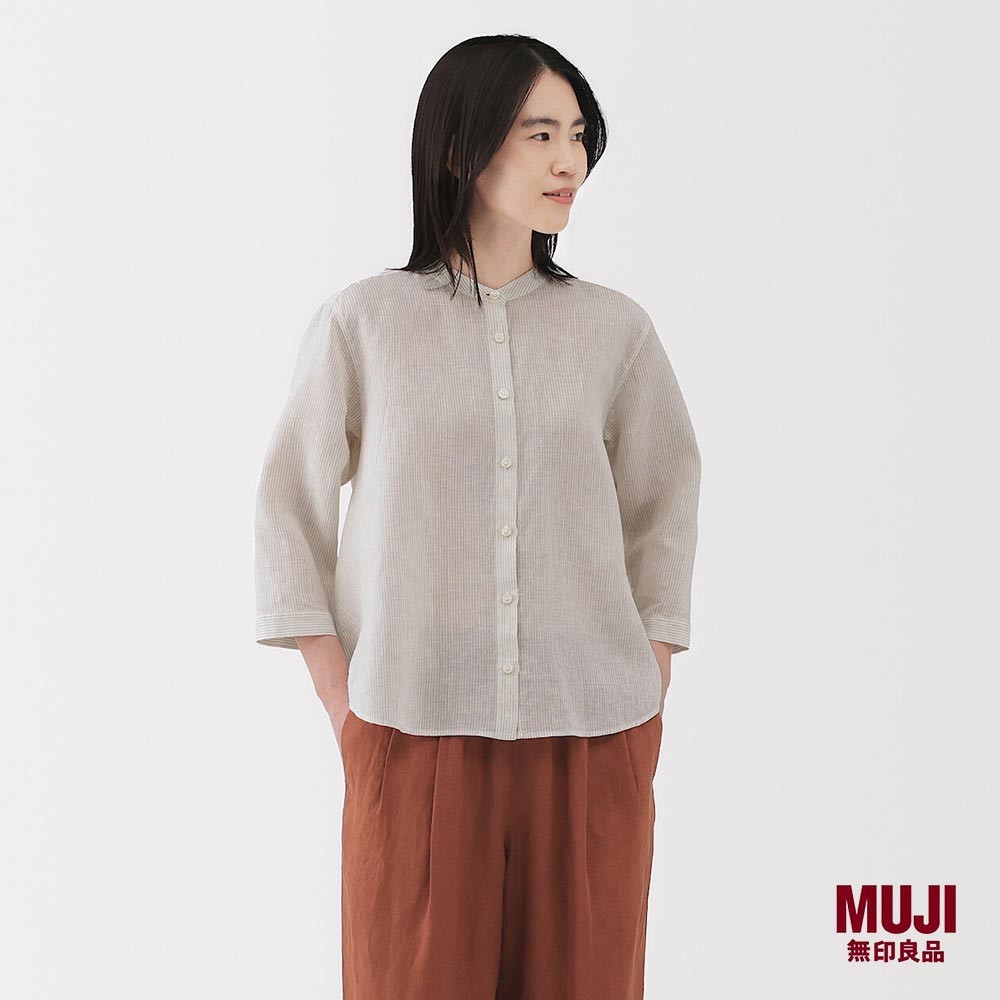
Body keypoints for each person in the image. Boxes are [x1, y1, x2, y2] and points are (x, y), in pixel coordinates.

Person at [253, 33, 701, 1000]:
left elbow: (666, 495)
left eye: (577, 135)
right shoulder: (365, 322)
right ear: (460, 147)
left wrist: (653, 664)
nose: (568, 160)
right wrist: (343, 702)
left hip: (593, 736)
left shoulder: (614, 330)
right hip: (412, 732)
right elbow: (287, 506)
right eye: (540, 133)